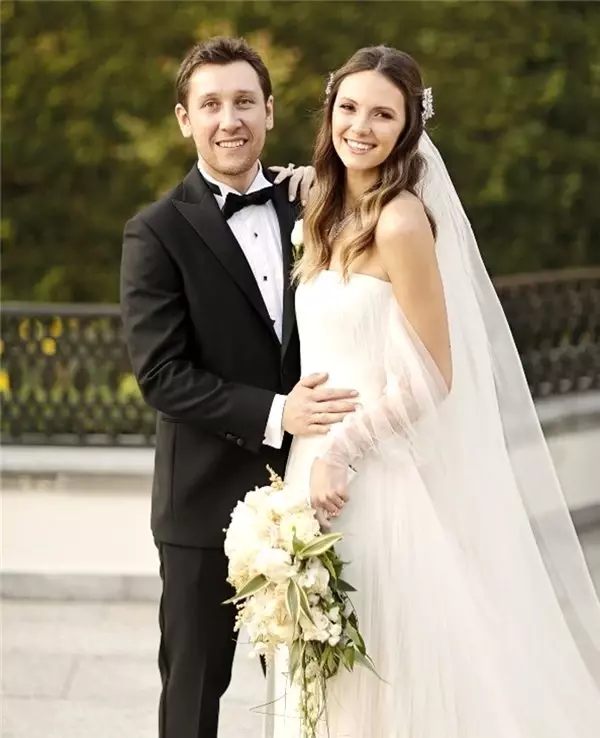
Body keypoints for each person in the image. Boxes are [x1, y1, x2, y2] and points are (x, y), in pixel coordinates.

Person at [266, 45, 600, 737]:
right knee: (319, 674)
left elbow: (432, 374)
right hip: (309, 472)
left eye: (382, 115)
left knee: (379, 668)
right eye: (348, 108)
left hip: (368, 476)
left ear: (408, 128)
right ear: (329, 112)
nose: (360, 126)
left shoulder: (400, 221)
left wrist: (343, 450)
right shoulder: (323, 208)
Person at [120, 37, 360, 738]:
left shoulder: (314, 206)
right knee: (193, 697)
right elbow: (162, 376)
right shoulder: (155, 233)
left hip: (311, 495)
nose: (230, 120)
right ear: (184, 119)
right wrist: (282, 413)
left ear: (270, 112)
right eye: (211, 104)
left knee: (316, 697)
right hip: (201, 509)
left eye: (245, 102)